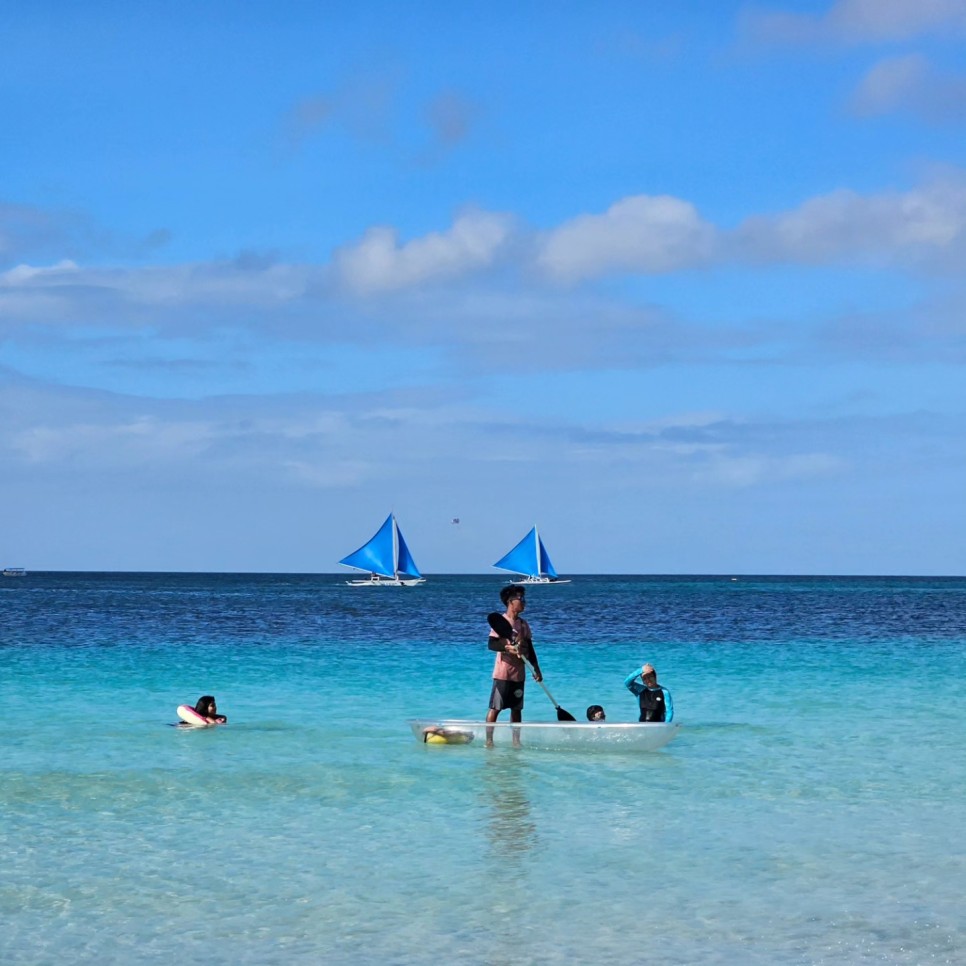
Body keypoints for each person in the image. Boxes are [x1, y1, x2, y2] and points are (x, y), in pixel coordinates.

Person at [486, 585, 542, 745]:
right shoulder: (501, 622)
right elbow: (491, 644)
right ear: (511, 602)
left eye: (524, 599)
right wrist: (506, 648)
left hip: (519, 673)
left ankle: (516, 741)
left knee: (516, 709)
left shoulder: (523, 624)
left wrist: (536, 668)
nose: (524, 602)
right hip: (503, 673)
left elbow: (530, 648)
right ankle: (489, 741)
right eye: (521, 599)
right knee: (496, 708)